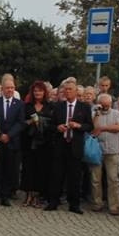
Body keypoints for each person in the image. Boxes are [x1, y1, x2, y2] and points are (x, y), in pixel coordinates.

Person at [46, 81, 93, 213]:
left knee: (75, 176)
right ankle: (53, 201)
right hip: (60, 145)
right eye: (65, 89)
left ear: (76, 91)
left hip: (75, 145)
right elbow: (50, 125)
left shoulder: (84, 107)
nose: (67, 92)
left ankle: (74, 204)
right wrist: (57, 127)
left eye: (70, 89)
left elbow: (90, 126)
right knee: (57, 175)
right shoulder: (58, 106)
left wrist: (79, 126)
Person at [0, 75, 24, 206]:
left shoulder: (19, 104)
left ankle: (5, 195)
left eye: (12, 87)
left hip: (12, 141)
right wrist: (0, 134)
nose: (10, 90)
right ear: (2, 89)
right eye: (7, 88)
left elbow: (20, 123)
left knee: (9, 169)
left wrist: (9, 135)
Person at [90, 93, 119, 215]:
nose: (104, 106)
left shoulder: (116, 113)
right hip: (97, 150)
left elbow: (118, 128)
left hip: (112, 150)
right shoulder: (94, 113)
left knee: (113, 179)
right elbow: (93, 128)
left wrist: (103, 128)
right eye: (102, 104)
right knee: (95, 179)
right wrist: (97, 114)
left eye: (106, 104)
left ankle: (114, 206)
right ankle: (97, 203)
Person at [21, 81, 52, 208]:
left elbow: (52, 122)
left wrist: (43, 122)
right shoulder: (27, 106)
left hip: (44, 143)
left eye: (40, 90)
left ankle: (37, 196)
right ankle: (28, 195)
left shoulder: (50, 106)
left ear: (44, 92)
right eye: (35, 91)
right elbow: (21, 122)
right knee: (28, 169)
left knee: (41, 169)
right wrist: (30, 122)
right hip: (29, 142)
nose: (37, 93)